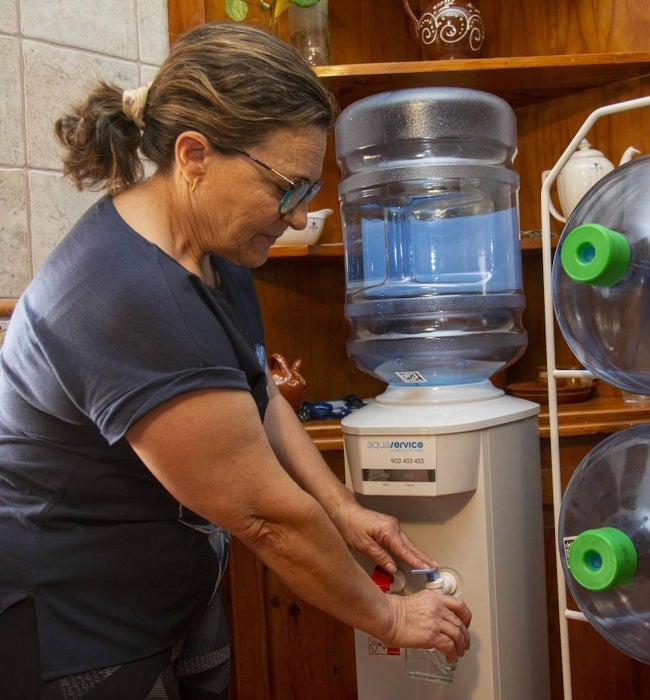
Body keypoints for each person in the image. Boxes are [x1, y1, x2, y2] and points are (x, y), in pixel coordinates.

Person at [0, 21, 471, 699]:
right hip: (75, 618)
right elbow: (265, 516)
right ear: (195, 156)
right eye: (286, 190)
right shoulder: (126, 297)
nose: (294, 217)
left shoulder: (219, 246)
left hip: (164, 587)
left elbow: (259, 396)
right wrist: (392, 615)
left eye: (306, 195)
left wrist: (343, 509)